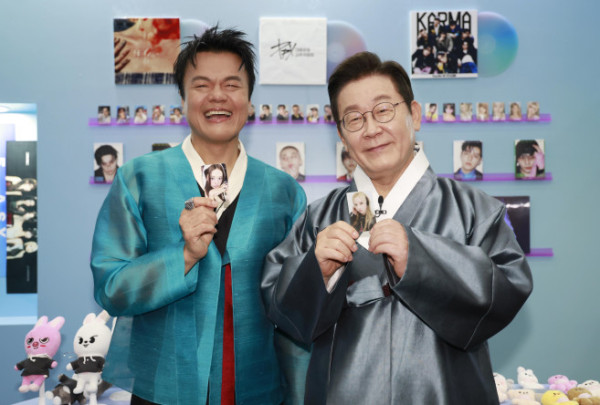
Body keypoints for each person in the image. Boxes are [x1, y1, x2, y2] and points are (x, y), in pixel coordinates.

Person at [262, 51, 532, 404]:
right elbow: (282, 309)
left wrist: (421, 259)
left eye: (383, 110)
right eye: (354, 118)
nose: (371, 129)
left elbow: (507, 292)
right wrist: (317, 271)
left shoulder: (474, 209)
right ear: (341, 134)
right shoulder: (319, 218)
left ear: (414, 114)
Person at [91, 26, 307, 404]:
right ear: (183, 98)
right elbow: (112, 288)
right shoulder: (139, 178)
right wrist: (184, 255)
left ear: (249, 99)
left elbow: (297, 305)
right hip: (162, 390)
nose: (217, 96)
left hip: (258, 389)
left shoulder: (284, 191)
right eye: (202, 85)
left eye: (232, 85)